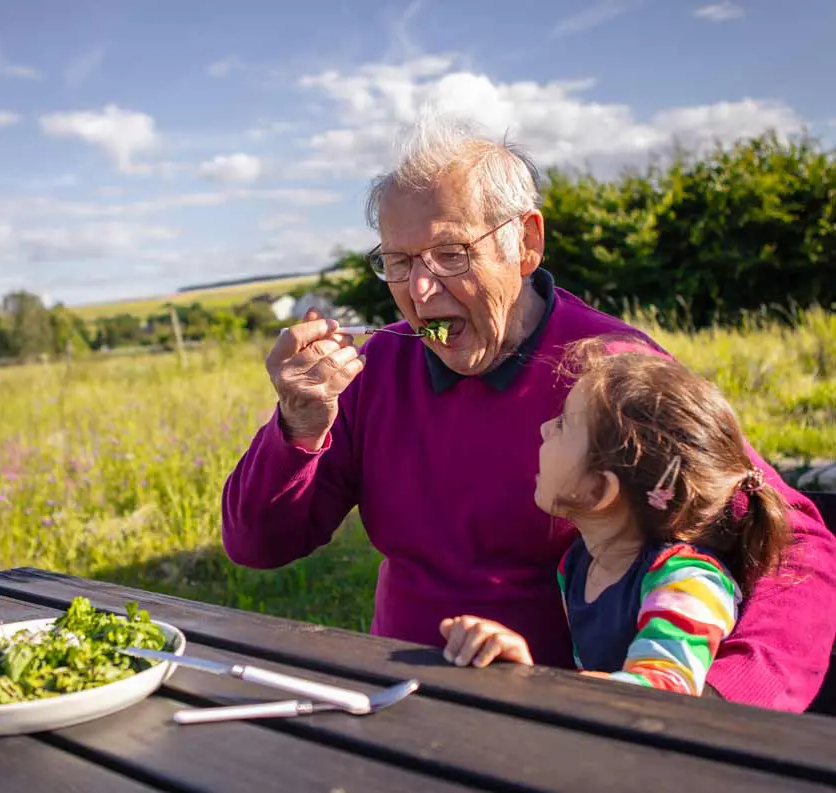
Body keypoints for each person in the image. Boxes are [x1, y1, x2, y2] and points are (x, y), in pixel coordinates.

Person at [220, 112, 836, 711]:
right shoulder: (375, 367)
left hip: (561, 722)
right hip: (398, 699)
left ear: (526, 242)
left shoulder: (612, 370)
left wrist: (720, 703)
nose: (422, 292)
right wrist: (299, 425)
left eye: (451, 254)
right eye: (400, 263)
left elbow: (795, 544)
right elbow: (258, 544)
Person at [437, 336, 793, 697]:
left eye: (564, 425)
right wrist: (518, 668)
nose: (545, 429)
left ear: (600, 491)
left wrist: (543, 688)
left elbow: (664, 695)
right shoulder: (579, 565)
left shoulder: (687, 582)